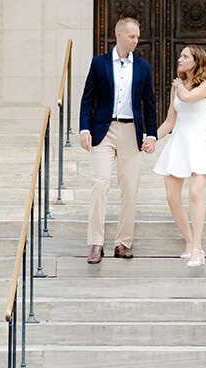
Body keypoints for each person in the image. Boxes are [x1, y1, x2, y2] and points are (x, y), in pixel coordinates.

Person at [79, 15, 158, 264]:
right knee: (99, 185)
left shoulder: (143, 68)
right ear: (119, 36)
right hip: (103, 131)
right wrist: (84, 129)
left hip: (131, 132)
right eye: (132, 36)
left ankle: (123, 243)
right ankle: (95, 243)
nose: (136, 40)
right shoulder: (99, 64)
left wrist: (152, 135)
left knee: (130, 188)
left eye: (137, 36)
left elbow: (149, 105)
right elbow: (87, 99)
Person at [153, 43, 206, 268]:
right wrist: (151, 138)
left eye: (185, 56)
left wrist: (178, 85)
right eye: (180, 56)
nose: (180, 59)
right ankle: (189, 240)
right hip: (178, 144)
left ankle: (197, 248)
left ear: (197, 61)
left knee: (195, 193)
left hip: (199, 144)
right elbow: (169, 121)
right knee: (172, 197)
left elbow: (187, 98)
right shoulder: (177, 87)